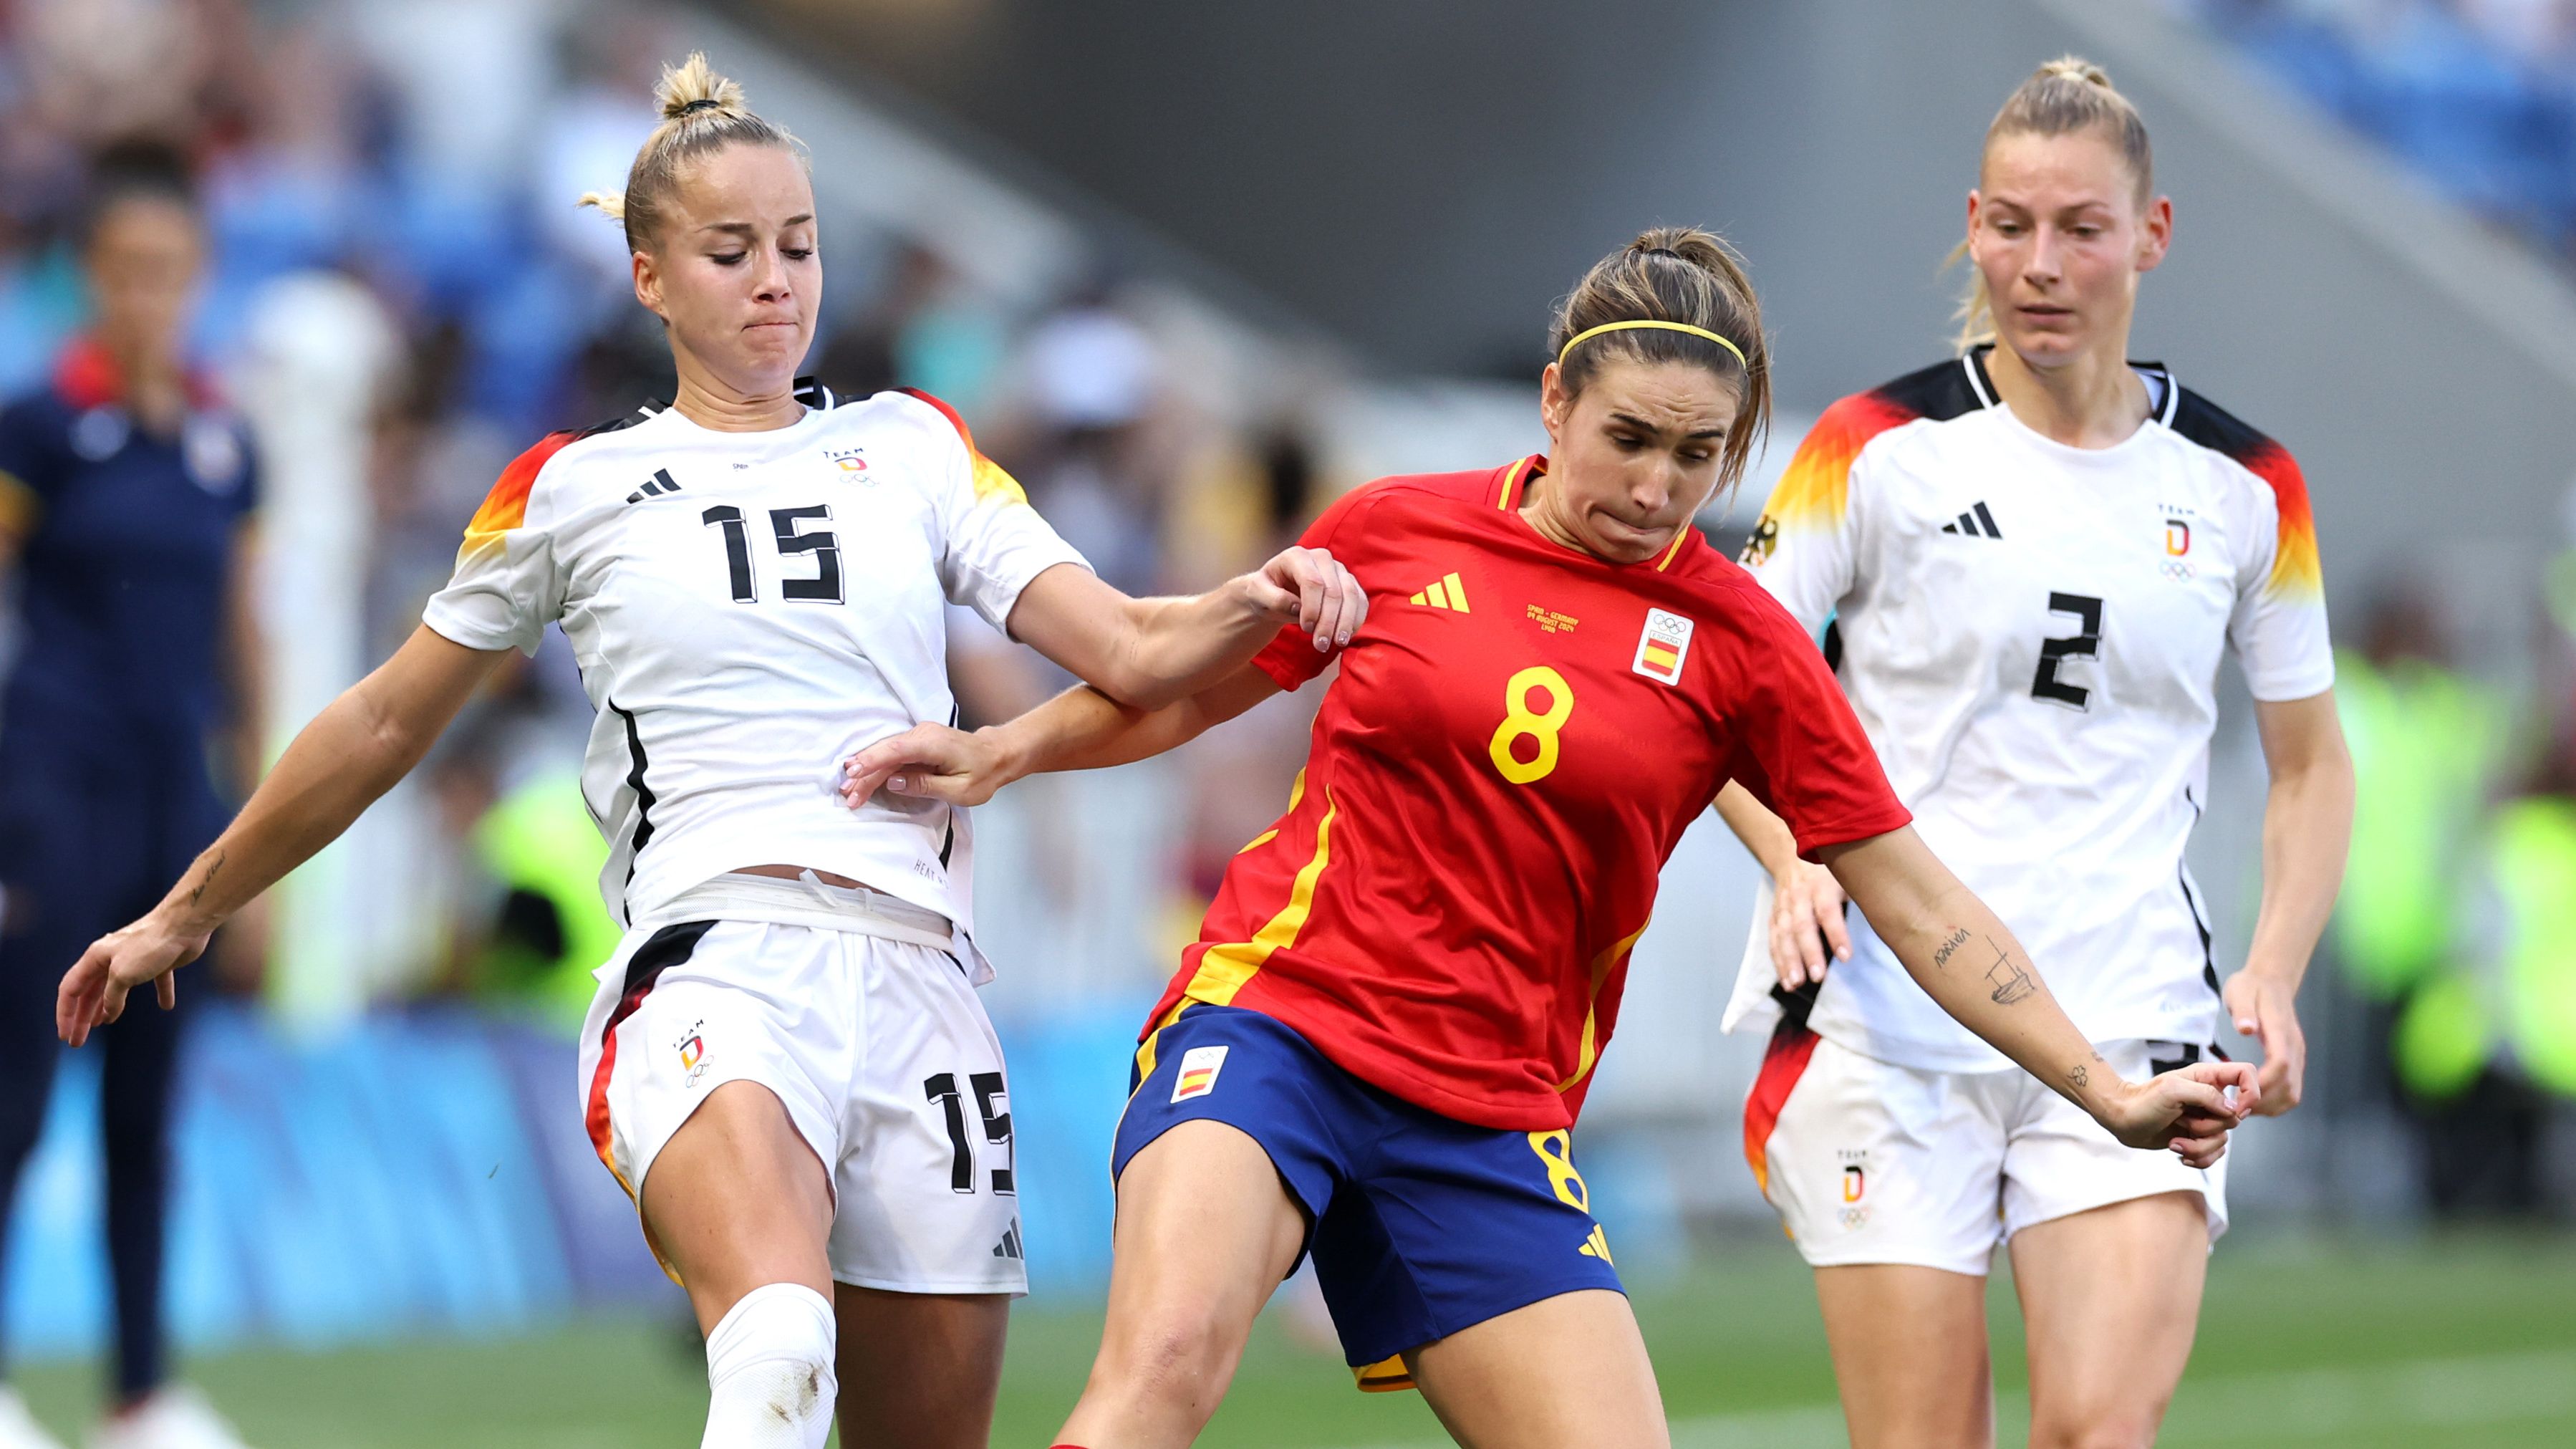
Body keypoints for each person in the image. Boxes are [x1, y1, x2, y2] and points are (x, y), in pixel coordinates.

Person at [53, 56, 1364, 1449]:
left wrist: (1262, 595)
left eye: (797, 246)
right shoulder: (572, 486)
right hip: (719, 955)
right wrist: (188, 908)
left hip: (923, 978)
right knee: (778, 1340)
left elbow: (1132, 647)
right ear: (646, 275)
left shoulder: (916, 448)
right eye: (730, 250)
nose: (774, 281)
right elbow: (384, 717)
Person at [841, 227, 2257, 1449]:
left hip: (1490, 1111)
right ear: (1552, 402)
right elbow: (1177, 694)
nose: (1652, 488)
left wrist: (2103, 1089)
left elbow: (1921, 904)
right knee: (1158, 1374)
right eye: (1627, 441)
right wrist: (1003, 750)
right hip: (1278, 1026)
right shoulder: (1397, 532)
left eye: (1695, 457)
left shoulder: (1744, 646)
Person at [1716, 59, 2355, 1449]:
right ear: (1969, 225)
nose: (2038, 265)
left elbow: (2309, 764)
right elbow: (1723, 691)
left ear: (2152, 232)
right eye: (2007, 227)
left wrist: (2272, 971)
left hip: (2133, 1005)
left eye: (2078, 227)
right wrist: (1786, 858)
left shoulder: (2246, 489)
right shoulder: (1872, 449)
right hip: (1889, 1021)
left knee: (2090, 1430)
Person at [0, 142, 264, 1449]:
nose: (149, 294)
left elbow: (245, 633)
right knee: (11, 1095)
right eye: (125, 271)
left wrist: (257, 839)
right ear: (88, 278)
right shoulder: (39, 429)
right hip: (50, 794)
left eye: (170, 270)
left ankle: (140, 1395)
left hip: (179, 814)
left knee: (147, 1115)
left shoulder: (228, 444)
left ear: (200, 276)